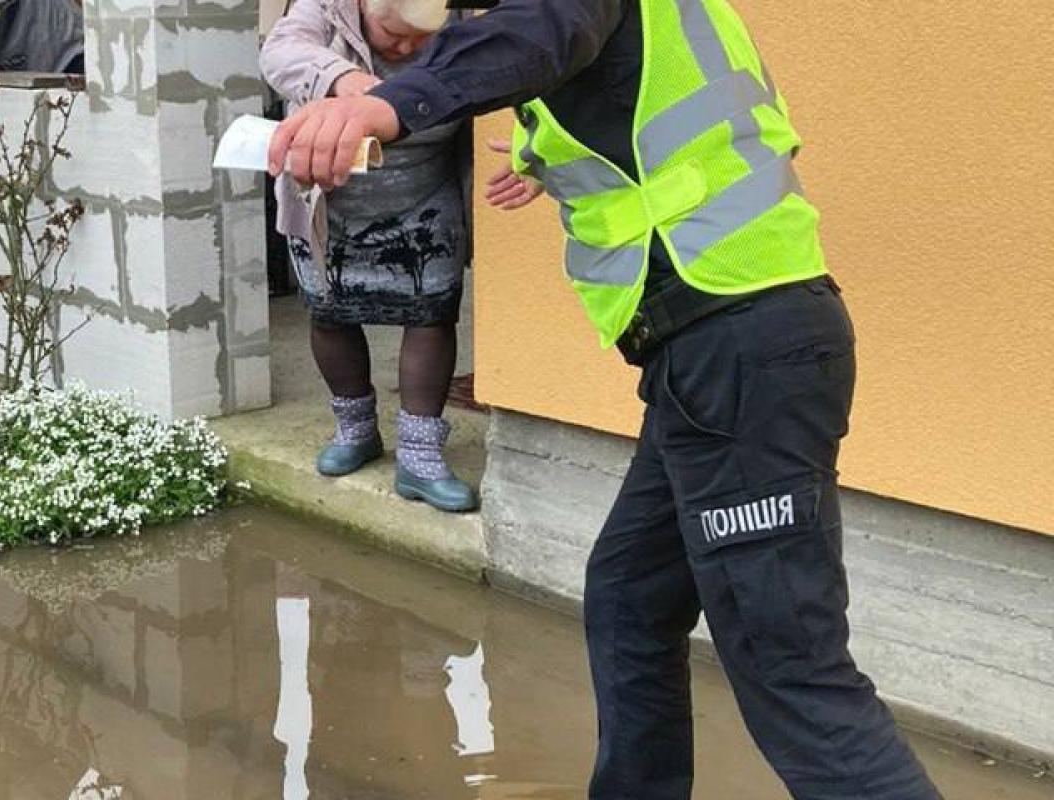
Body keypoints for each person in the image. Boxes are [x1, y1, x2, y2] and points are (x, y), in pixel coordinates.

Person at [266, 1, 944, 798]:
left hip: (738, 345)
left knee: (790, 669)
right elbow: (608, 93)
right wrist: (536, 154)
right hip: (718, 357)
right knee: (629, 598)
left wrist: (387, 101)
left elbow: (542, 30)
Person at [259, 0, 478, 513]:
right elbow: (279, 52)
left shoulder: (466, 20)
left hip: (425, 200)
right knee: (329, 313)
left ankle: (421, 457)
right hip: (326, 202)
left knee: (430, 315)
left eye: (417, 39)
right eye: (391, 34)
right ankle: (355, 430)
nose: (403, 49)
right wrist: (345, 81)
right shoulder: (323, 9)